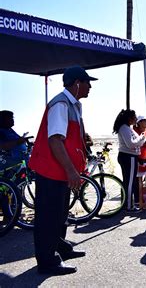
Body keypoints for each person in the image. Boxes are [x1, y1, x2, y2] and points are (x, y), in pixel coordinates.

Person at [28, 66, 97, 275]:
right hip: (51, 171)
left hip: (60, 172)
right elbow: (55, 140)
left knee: (60, 214)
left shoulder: (74, 105)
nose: (90, 86)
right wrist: (71, 171)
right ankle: (47, 262)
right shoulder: (60, 103)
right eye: (87, 82)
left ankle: (61, 248)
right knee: (49, 216)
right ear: (77, 83)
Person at [113, 109, 146, 212]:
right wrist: (142, 138)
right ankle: (129, 206)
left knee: (128, 181)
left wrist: (141, 140)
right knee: (129, 182)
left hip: (129, 156)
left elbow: (134, 143)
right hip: (128, 156)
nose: (136, 119)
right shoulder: (124, 128)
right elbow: (131, 144)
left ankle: (126, 204)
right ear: (129, 118)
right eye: (134, 117)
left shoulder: (127, 128)